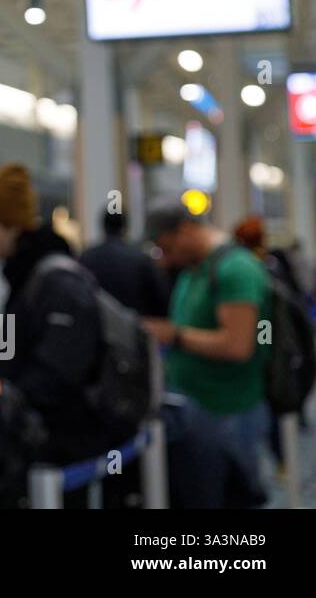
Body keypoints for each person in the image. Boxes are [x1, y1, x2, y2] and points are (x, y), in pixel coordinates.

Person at [0, 163, 108, 468]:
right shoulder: (18, 276)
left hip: (63, 439)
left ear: (12, 225)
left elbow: (57, 373)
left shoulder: (55, 283)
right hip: (34, 429)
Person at [143, 203, 271, 494]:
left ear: (186, 231)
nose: (164, 260)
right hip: (197, 411)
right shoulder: (194, 270)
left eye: (167, 247)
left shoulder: (235, 269)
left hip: (230, 412)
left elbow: (238, 345)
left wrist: (173, 336)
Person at [79, 210, 169, 317]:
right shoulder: (140, 259)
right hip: (135, 326)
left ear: (103, 226)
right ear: (125, 227)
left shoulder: (86, 258)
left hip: (97, 326)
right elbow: (160, 299)